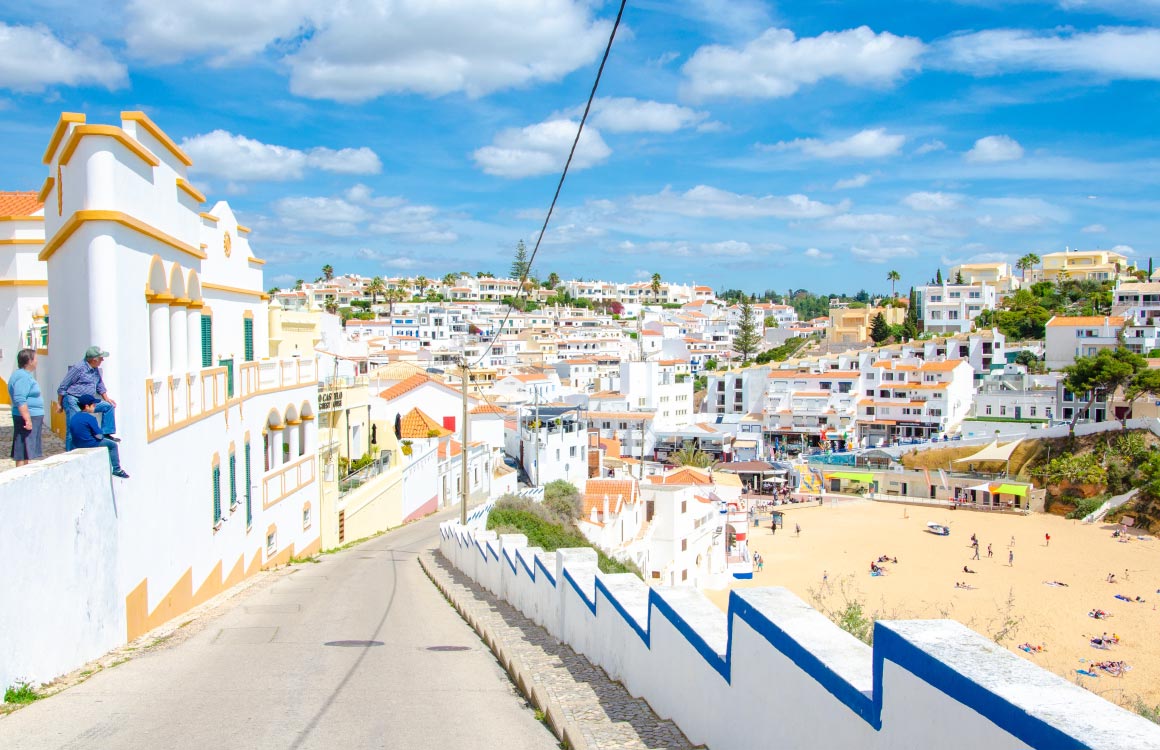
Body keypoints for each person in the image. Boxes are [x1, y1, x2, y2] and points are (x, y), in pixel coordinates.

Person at [58, 346, 118, 451]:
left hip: (89, 402)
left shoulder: (95, 369)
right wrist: (59, 404)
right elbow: (63, 386)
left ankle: (106, 434)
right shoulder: (78, 368)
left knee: (108, 406)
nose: (102, 360)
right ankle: (69, 452)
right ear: (94, 360)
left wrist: (106, 398)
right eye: (101, 358)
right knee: (73, 426)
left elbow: (100, 384)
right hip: (74, 400)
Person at [69, 394, 129, 478]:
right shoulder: (90, 418)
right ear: (87, 406)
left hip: (76, 444)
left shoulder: (74, 417)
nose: (95, 406)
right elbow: (99, 436)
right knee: (113, 445)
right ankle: (117, 469)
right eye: (93, 405)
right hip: (90, 444)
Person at [9, 348, 45, 467]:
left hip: (30, 415)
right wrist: (27, 419)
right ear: (29, 361)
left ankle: (25, 470)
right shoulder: (23, 377)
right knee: (23, 448)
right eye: (35, 359)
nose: (37, 362)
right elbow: (20, 398)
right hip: (27, 416)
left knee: (26, 448)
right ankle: (21, 474)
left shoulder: (21, 375)